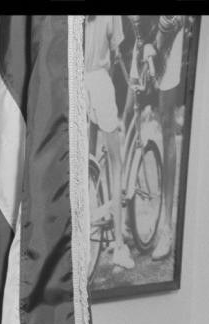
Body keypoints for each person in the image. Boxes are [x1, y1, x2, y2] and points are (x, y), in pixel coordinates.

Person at [85, 14, 135, 270]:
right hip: (100, 82)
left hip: (76, 84)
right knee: (117, 165)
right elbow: (117, 53)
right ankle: (118, 245)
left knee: (79, 160)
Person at [134, 15, 186, 261]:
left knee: (166, 124)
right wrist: (143, 41)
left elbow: (174, 18)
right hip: (144, 34)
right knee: (127, 110)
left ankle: (166, 227)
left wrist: (156, 44)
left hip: (170, 36)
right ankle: (125, 218)